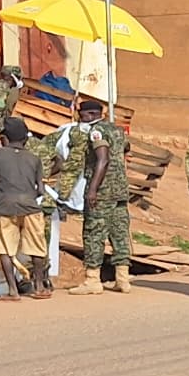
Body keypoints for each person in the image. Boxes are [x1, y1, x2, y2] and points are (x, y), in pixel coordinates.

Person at [0, 118, 53, 300]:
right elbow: (41, 189)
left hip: (6, 207)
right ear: (26, 140)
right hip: (31, 207)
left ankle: (13, 291)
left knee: (5, 249)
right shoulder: (34, 159)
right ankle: (38, 286)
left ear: (3, 138)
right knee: (37, 248)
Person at [72, 99, 135, 293]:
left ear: (90, 115)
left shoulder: (95, 132)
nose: (80, 119)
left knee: (94, 233)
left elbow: (103, 159)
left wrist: (92, 189)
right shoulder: (117, 130)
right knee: (120, 233)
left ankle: (92, 281)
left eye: (82, 116)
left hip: (102, 192)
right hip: (120, 190)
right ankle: (122, 279)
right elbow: (126, 147)